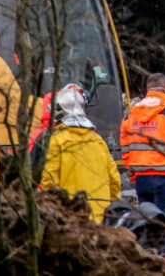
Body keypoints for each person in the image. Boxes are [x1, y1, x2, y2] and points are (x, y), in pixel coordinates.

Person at [120, 73, 165, 259]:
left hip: (142, 179)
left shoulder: (130, 115)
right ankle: (164, 264)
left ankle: (146, 262)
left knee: (146, 224)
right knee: (163, 226)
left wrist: (134, 173)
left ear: (148, 90)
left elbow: (125, 148)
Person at [39, 84, 120, 223]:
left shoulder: (56, 141)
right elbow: (114, 181)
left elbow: (49, 182)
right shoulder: (98, 141)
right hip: (102, 217)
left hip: (72, 218)